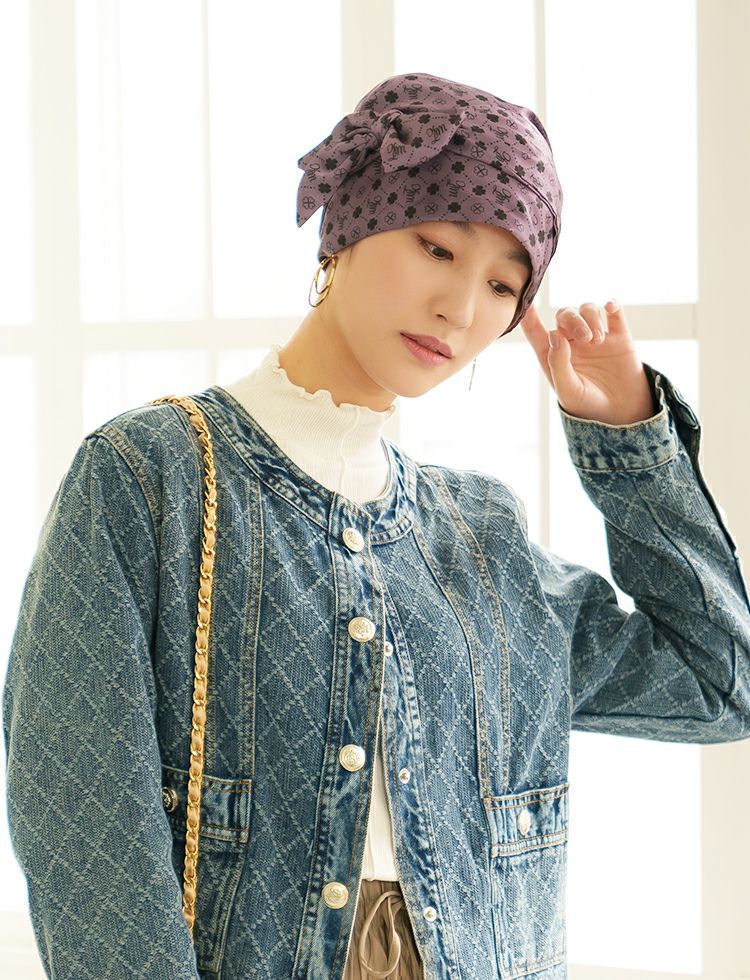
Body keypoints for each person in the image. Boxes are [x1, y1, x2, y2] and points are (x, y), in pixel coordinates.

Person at [3, 71, 750, 980]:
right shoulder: (148, 478)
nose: (461, 310)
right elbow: (84, 824)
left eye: (503, 285)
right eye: (437, 247)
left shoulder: (480, 537)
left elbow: (722, 683)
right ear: (349, 226)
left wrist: (628, 444)